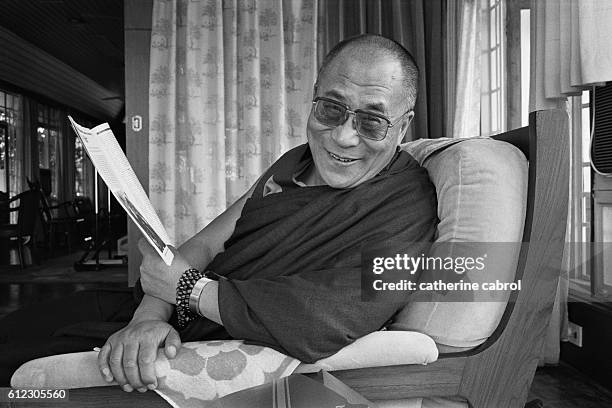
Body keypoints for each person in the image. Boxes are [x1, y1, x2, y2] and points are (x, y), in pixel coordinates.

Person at [0, 34, 437, 391]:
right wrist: (148, 318)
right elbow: (209, 242)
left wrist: (186, 289)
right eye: (331, 109)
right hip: (154, 313)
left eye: (371, 121)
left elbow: (325, 317)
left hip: (201, 331)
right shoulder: (295, 160)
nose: (343, 136)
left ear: (404, 124)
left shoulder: (405, 203)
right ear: (315, 99)